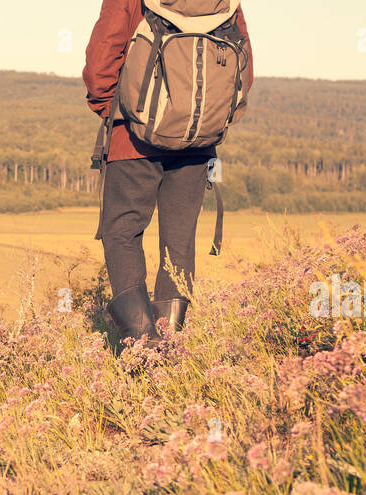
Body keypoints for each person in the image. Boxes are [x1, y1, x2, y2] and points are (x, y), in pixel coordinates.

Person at [84, 0, 254, 347]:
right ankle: (172, 346)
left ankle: (143, 348)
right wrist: (207, 123)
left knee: (123, 234)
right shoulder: (223, 1)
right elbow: (243, 71)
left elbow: (101, 59)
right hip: (197, 144)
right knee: (178, 243)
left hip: (132, 141)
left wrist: (119, 112)